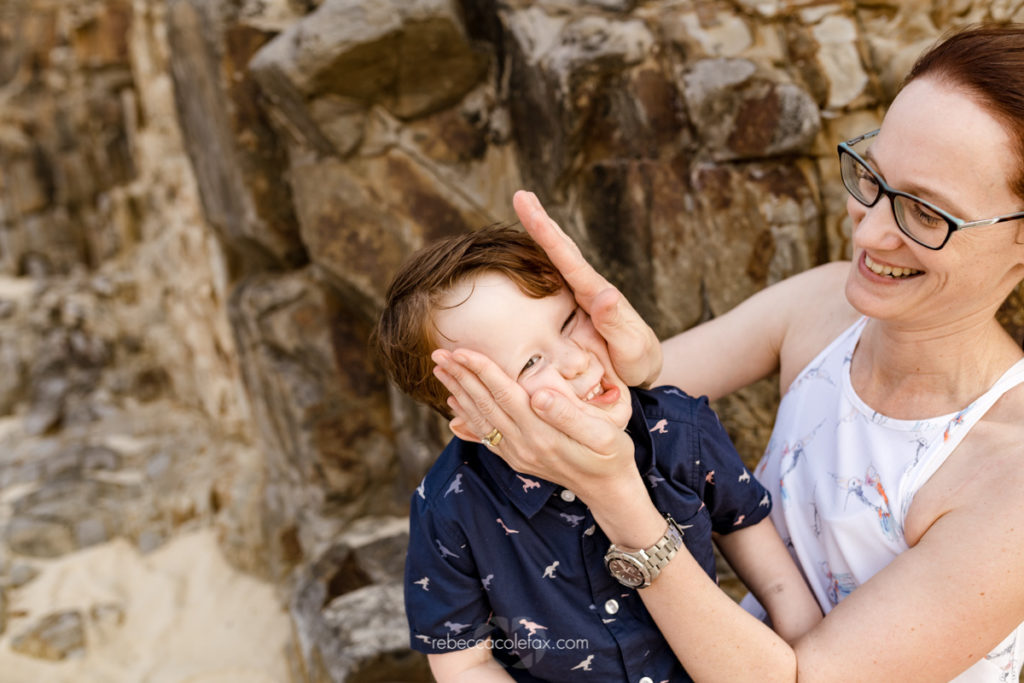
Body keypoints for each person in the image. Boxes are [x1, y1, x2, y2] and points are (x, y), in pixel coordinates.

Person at [431, 23, 1024, 682]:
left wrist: (625, 505)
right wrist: (608, 357)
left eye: (924, 212)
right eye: (873, 177)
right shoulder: (824, 306)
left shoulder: (1011, 480)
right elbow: (546, 429)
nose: (871, 229)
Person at [374, 226, 822, 681]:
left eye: (569, 320)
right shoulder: (450, 506)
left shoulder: (680, 430)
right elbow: (464, 663)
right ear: (475, 421)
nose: (576, 360)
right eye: (530, 363)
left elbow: (779, 583)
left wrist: (812, 658)